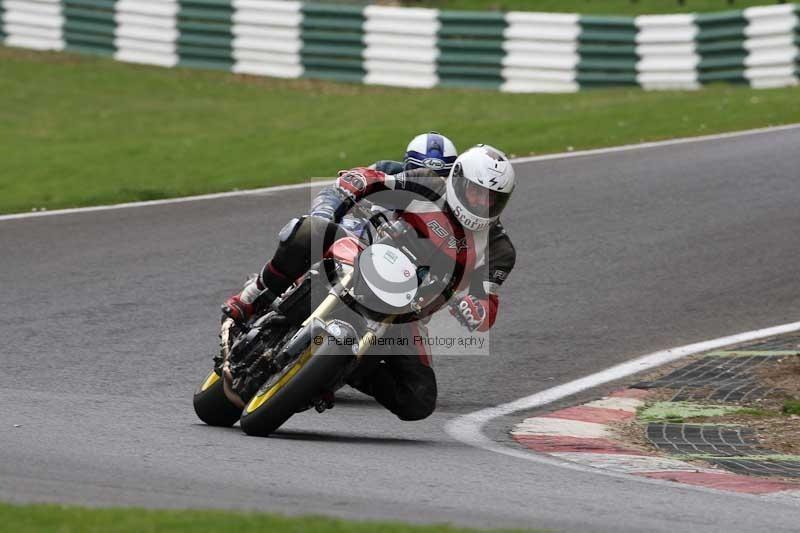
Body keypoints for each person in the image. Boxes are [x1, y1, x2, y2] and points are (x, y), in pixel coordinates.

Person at [223, 141, 516, 421]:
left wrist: (476, 311)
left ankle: (345, 369)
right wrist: (341, 197)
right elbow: (369, 181)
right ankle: (250, 298)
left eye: (491, 198)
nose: (480, 202)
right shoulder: (428, 185)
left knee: (418, 399)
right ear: (458, 180)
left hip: (406, 312)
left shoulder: (499, 249)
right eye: (476, 192)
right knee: (308, 230)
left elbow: (486, 301)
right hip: (364, 255)